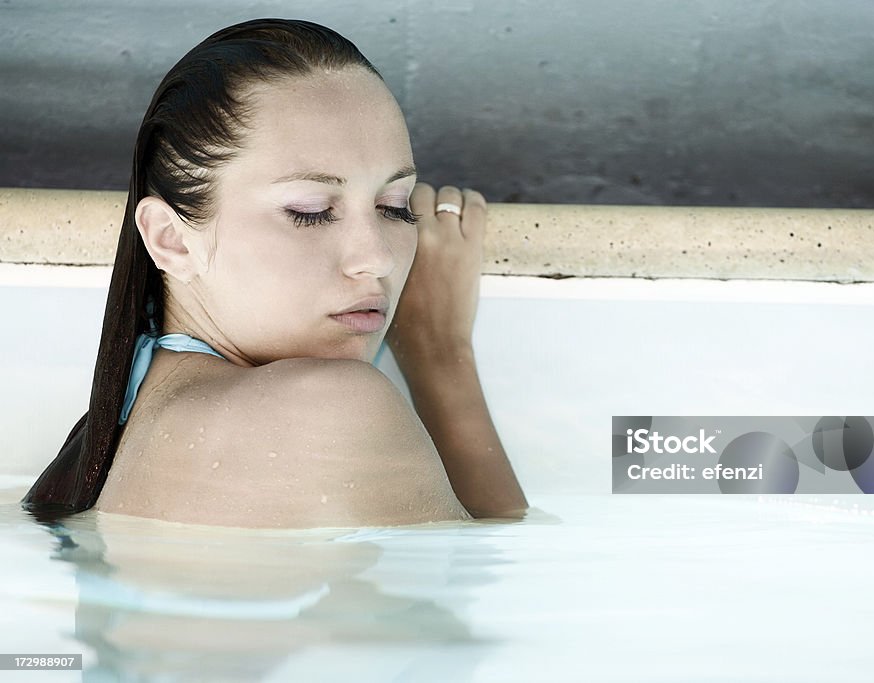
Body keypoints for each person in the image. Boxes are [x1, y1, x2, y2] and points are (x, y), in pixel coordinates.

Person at [21, 18, 528, 528]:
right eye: (309, 210)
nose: (378, 257)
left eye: (393, 205)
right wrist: (441, 354)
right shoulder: (328, 409)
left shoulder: (122, 429)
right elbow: (494, 593)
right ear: (171, 239)